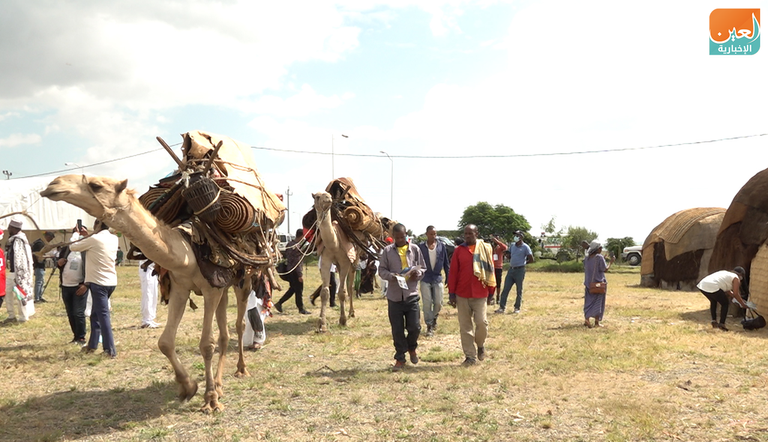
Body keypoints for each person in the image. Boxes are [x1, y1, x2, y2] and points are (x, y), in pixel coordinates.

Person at [379, 223, 425, 371]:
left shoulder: (415, 249)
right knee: (397, 330)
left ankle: (412, 348)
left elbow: (422, 267)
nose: (399, 240)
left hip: (411, 294)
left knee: (415, 327)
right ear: (392, 237)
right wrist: (391, 276)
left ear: (406, 235)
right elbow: (381, 270)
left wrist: (417, 273)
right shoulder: (387, 251)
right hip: (394, 296)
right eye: (396, 237)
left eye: (402, 237)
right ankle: (400, 358)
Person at [447, 224, 496, 366]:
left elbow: (490, 270)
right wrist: (451, 293)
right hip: (462, 294)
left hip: (480, 293)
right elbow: (453, 272)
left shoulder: (485, 249)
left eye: (470, 233)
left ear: (476, 233)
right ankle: (470, 356)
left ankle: (480, 345)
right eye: (465, 233)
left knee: (482, 323)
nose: (467, 236)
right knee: (465, 327)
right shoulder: (459, 251)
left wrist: (491, 292)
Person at [71, 219, 119, 358]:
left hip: (99, 283)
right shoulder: (113, 238)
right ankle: (92, 345)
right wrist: (89, 235)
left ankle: (110, 350)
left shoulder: (94, 239)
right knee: (96, 315)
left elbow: (73, 247)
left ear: (97, 226)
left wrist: (76, 234)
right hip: (110, 281)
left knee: (103, 316)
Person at [56, 229, 88, 343]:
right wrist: (59, 263)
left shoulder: (86, 250)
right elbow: (58, 262)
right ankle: (75, 336)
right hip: (66, 286)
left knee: (78, 313)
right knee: (70, 313)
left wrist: (85, 284)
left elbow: (91, 267)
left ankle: (81, 337)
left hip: (79, 286)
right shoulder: (66, 249)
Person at [418, 225, 450, 337]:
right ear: (426, 234)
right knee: (427, 303)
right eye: (431, 234)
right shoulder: (421, 247)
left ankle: (434, 317)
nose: (433, 236)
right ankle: (429, 325)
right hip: (425, 278)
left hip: (437, 278)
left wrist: (448, 276)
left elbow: (446, 262)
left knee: (438, 302)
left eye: (435, 234)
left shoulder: (441, 246)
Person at [3, 219, 35, 323]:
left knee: (21, 294)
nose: (8, 229)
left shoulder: (19, 240)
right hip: (13, 272)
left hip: (19, 273)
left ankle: (23, 316)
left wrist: (20, 274)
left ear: (14, 228)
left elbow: (20, 259)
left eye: (10, 228)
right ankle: (11, 315)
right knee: (7, 292)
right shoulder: (15, 239)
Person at [697, 266, 748, 331]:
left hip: (702, 285)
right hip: (712, 285)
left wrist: (739, 300)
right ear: (740, 275)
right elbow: (736, 294)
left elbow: (728, 291)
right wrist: (742, 303)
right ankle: (722, 324)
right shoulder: (736, 278)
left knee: (713, 301)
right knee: (725, 303)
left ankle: (714, 321)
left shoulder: (727, 274)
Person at [496, 230, 534, 314]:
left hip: (520, 270)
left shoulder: (525, 247)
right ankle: (502, 307)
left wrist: (523, 263)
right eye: (515, 235)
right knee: (505, 289)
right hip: (511, 270)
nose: (515, 237)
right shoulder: (512, 246)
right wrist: (507, 255)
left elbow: (531, 259)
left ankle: (517, 308)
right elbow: (510, 256)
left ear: (521, 237)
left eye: (517, 235)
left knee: (519, 289)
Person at [274, 229, 310, 314]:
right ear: (301, 236)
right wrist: (299, 274)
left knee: (293, 289)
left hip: (289, 269)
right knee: (299, 290)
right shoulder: (296, 247)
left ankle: (279, 303)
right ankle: (301, 308)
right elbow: (297, 261)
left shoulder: (290, 244)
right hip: (295, 271)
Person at [583, 240, 615, 328]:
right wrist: (610, 262)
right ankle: (597, 322)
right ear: (597, 249)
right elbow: (604, 269)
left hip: (589, 284)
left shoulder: (587, 257)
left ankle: (587, 319)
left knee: (588, 301)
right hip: (598, 284)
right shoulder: (599, 257)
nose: (601, 249)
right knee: (598, 302)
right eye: (600, 248)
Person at [31, 231, 55, 303]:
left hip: (41, 264)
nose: (50, 240)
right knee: (39, 281)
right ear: (47, 237)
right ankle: (37, 298)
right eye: (50, 239)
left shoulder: (40, 242)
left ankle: (40, 296)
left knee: (41, 281)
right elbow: (39, 255)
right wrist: (49, 256)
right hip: (38, 264)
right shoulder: (40, 244)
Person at [139, 260, 160, 328]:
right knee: (148, 294)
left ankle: (151, 318)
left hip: (153, 268)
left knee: (154, 294)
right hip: (147, 268)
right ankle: (146, 320)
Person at [490, 236, 507, 305]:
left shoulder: (500, 247)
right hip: (491, 267)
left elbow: (505, 248)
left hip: (498, 267)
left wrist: (497, 242)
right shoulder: (490, 247)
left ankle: (498, 296)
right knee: (491, 283)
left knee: (498, 283)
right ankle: (491, 297)